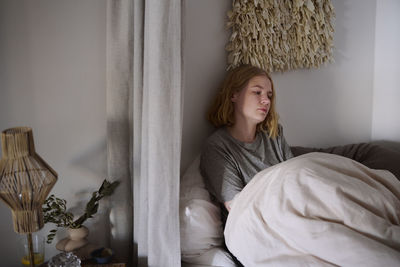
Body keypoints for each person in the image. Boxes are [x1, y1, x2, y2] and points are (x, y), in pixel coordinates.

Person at [200, 64, 293, 223]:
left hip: (288, 211)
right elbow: (237, 206)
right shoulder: (218, 146)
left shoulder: (274, 135)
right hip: (252, 225)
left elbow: (293, 179)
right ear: (234, 95)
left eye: (269, 95)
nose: (266, 101)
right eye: (257, 92)